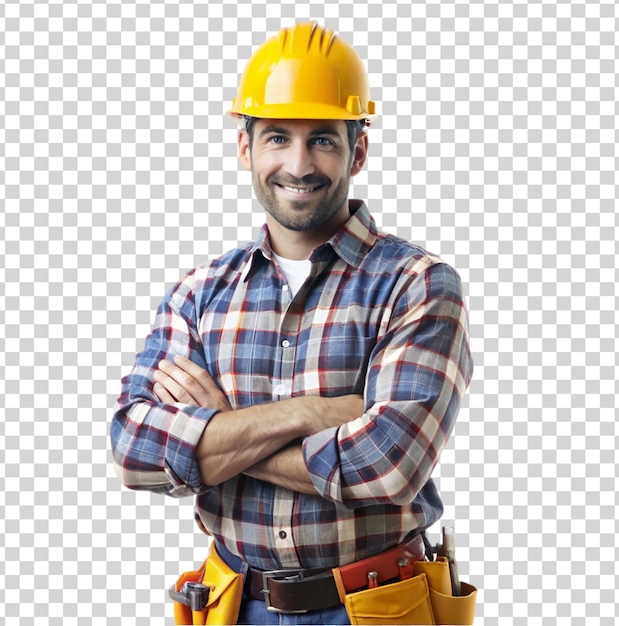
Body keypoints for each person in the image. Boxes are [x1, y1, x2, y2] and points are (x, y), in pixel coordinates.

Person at [110, 22, 472, 625]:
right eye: (278, 137)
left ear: (358, 150)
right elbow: (135, 451)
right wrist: (312, 414)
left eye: (323, 140)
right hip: (231, 604)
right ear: (246, 147)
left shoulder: (418, 284)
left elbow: (387, 469)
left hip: (375, 607)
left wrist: (213, 435)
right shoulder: (199, 294)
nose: (299, 165)